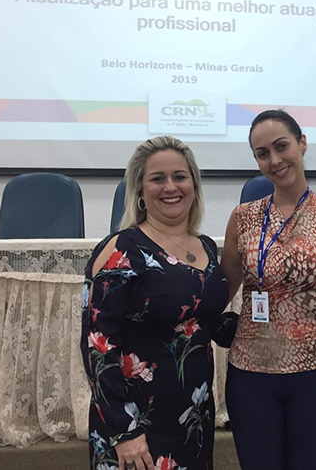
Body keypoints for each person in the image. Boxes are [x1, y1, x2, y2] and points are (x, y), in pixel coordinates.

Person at [81, 136, 237, 470]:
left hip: (193, 421)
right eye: (157, 178)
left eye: (180, 176)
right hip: (135, 428)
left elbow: (199, 322)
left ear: (194, 185)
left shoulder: (206, 247)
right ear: (139, 189)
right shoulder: (120, 250)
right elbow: (97, 347)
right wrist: (124, 430)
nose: (170, 187)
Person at [221, 109, 316, 470]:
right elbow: (220, 292)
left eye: (281, 146)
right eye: (262, 153)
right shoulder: (243, 217)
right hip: (251, 374)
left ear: (302, 143)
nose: (274, 160)